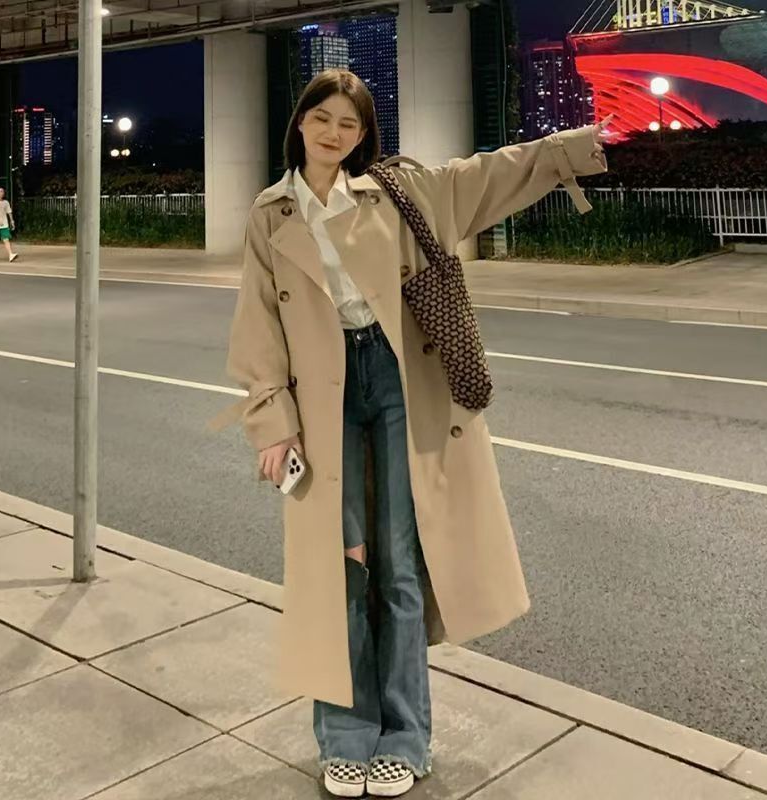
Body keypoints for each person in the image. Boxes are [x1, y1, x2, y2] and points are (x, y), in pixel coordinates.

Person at [222, 69, 609, 798]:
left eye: (350, 124)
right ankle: (345, 737)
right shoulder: (271, 214)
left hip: (399, 378)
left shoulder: (398, 192)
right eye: (323, 118)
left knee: (399, 564)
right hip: (321, 393)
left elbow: (488, 175)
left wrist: (572, 147)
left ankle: (405, 737)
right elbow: (258, 324)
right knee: (341, 566)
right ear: (299, 122)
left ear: (364, 134)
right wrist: (271, 423)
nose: (335, 133)